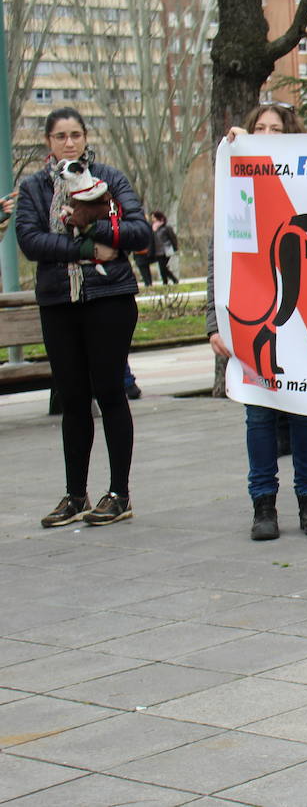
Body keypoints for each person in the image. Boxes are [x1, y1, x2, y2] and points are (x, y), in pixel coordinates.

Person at [16, 107, 152, 528]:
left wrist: (93, 227)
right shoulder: (35, 188)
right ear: (49, 143)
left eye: (76, 134)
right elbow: (31, 239)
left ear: (86, 138)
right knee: (72, 400)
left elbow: (139, 231)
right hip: (60, 302)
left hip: (109, 297)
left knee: (110, 392)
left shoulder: (109, 179)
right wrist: (86, 250)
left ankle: (119, 493)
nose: (69, 142)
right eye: (60, 136)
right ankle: (76, 494)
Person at [212, 102, 307, 540]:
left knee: (306, 412)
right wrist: (214, 324)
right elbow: (219, 258)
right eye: (259, 128)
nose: (266, 134)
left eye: (275, 129)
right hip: (252, 319)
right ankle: (264, 506)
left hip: (302, 318)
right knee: (259, 416)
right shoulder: (237, 184)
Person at [149, 211, 180, 284]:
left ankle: (170, 280)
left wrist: (175, 247)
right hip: (157, 251)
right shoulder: (153, 228)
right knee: (162, 268)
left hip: (166, 250)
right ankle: (168, 281)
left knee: (163, 267)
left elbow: (173, 238)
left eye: (154, 217)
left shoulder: (166, 227)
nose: (152, 219)